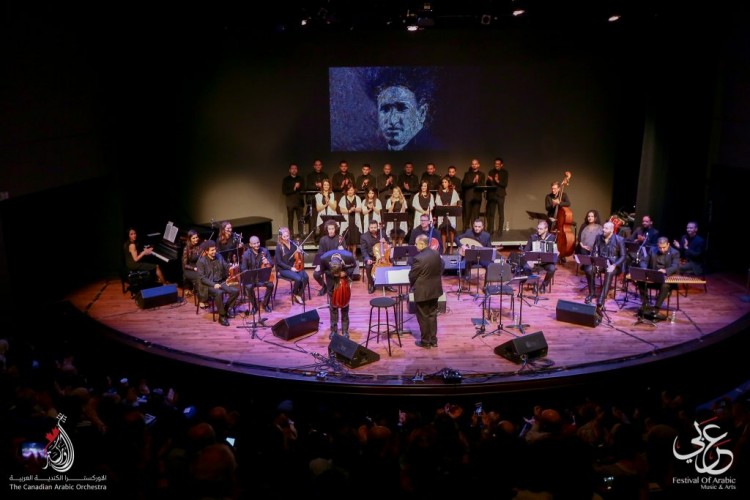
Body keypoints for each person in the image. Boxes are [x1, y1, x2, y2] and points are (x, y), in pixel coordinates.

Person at [371, 70, 438, 151]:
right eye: (385, 109)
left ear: (421, 113)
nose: (392, 120)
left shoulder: (434, 151)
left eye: (401, 108)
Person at [409, 234, 444, 349]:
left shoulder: (418, 258)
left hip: (422, 291)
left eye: (416, 243)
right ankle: (433, 340)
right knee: (432, 315)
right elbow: (441, 267)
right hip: (435, 290)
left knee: (423, 316)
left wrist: (411, 285)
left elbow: (412, 276)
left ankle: (425, 341)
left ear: (422, 244)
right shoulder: (436, 253)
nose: (415, 245)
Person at [583, 221, 626, 307]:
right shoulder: (598, 238)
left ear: (612, 230)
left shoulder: (619, 239)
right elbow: (595, 251)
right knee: (589, 269)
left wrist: (614, 266)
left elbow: (623, 256)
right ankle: (592, 293)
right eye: (603, 227)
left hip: (613, 264)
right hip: (601, 262)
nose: (603, 230)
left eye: (606, 228)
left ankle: (602, 297)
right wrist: (595, 260)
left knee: (609, 272)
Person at [197, 240, 240, 327]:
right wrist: (213, 285)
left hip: (221, 281)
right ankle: (222, 316)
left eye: (215, 249)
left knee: (235, 291)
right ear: (206, 251)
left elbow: (225, 266)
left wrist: (231, 267)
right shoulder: (201, 262)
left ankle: (225, 310)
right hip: (208, 284)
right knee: (218, 293)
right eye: (212, 250)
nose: (214, 252)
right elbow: (202, 278)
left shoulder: (219, 256)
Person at [637, 236, 680, 319]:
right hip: (654, 277)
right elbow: (644, 261)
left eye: (664, 247)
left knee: (665, 286)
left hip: (667, 279)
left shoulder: (675, 252)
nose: (662, 249)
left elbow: (675, 266)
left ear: (668, 245)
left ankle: (656, 308)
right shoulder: (653, 250)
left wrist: (665, 270)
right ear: (657, 245)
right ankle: (646, 304)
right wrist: (644, 268)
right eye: (660, 247)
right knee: (640, 281)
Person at [320, 250, 357, 338]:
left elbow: (354, 265)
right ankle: (333, 331)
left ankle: (345, 331)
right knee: (333, 309)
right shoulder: (324, 259)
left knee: (344, 308)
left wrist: (346, 273)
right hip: (331, 284)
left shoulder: (349, 256)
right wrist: (333, 275)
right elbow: (322, 271)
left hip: (344, 284)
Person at [274, 226, 309, 305]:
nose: (286, 238)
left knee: (306, 277)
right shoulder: (279, 247)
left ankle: (298, 294)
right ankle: (295, 293)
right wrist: (290, 268)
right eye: (284, 236)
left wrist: (299, 252)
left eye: (287, 236)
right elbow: (279, 262)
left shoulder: (293, 244)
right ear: (281, 237)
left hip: (294, 266)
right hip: (284, 269)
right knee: (298, 278)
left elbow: (296, 257)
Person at [240, 236, 274, 314]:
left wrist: (267, 262)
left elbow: (272, 264)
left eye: (258, 242)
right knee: (248, 287)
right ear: (250, 244)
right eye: (254, 243)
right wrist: (249, 274)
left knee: (270, 285)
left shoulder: (264, 251)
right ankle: (254, 306)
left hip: (262, 277)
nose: (257, 245)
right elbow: (243, 268)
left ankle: (265, 304)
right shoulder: (246, 254)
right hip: (251, 278)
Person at [523, 220, 557, 293]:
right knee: (526, 267)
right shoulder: (533, 237)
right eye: (538, 228)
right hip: (535, 262)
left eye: (541, 229)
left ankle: (544, 285)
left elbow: (553, 251)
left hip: (546, 263)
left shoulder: (552, 237)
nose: (538, 230)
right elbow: (526, 250)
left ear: (546, 229)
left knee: (552, 268)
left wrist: (556, 252)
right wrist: (530, 260)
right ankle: (534, 283)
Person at [313, 220, 346, 296]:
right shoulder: (323, 239)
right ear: (327, 230)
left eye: (332, 229)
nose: (331, 231)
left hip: (337, 264)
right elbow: (320, 253)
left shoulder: (340, 239)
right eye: (329, 229)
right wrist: (318, 265)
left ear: (335, 229)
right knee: (316, 274)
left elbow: (345, 255)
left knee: (331, 273)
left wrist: (342, 250)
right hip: (326, 264)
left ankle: (331, 289)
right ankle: (324, 287)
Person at [360, 220, 391, 294]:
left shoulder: (382, 233)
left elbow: (389, 245)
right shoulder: (364, 236)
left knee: (390, 263)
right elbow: (363, 250)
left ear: (377, 227)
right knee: (368, 266)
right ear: (369, 227)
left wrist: (386, 242)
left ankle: (388, 284)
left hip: (382, 256)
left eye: (375, 227)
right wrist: (367, 259)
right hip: (371, 256)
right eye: (371, 227)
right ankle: (371, 285)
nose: (373, 229)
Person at [435, 176, 460, 255]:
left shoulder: (453, 191)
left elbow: (456, 202)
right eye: (442, 182)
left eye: (445, 182)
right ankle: (444, 247)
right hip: (443, 213)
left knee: (451, 230)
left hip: (451, 213)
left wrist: (449, 206)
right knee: (443, 230)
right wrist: (443, 207)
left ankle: (451, 246)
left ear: (449, 183)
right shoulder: (439, 192)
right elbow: (437, 203)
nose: (443, 184)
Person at [182, 229, 207, 307]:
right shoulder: (186, 249)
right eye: (194, 238)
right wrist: (194, 268)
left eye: (197, 237)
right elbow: (185, 265)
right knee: (199, 278)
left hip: (199, 267)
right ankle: (201, 300)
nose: (196, 239)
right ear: (189, 239)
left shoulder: (200, 246)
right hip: (189, 269)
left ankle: (208, 296)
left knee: (207, 275)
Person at [485, 157, 508, 236]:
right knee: (491, 213)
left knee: (501, 213)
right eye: (495, 164)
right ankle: (490, 229)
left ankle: (500, 230)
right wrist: (489, 180)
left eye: (498, 164)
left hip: (500, 195)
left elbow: (505, 184)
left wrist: (497, 181)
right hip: (492, 195)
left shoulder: (505, 172)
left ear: (501, 165)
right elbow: (488, 184)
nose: (496, 165)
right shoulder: (491, 172)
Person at [338, 184, 363, 258]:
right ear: (346, 191)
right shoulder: (343, 198)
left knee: (354, 238)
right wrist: (349, 211)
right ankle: (348, 253)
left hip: (355, 220)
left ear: (354, 190)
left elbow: (360, 209)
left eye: (351, 190)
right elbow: (341, 210)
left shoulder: (357, 198)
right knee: (348, 238)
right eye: (348, 190)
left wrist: (354, 209)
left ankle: (354, 254)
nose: (350, 191)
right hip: (346, 220)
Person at [281, 163, 305, 237]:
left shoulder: (300, 179)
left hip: (299, 202)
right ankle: (291, 234)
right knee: (290, 219)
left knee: (300, 219)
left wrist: (299, 187)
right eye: (292, 168)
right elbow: (284, 191)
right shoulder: (286, 179)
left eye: (295, 168)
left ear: (297, 170)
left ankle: (301, 233)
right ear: (289, 170)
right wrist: (294, 188)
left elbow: (304, 189)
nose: (294, 170)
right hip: (290, 202)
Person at [461, 159, 485, 231]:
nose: (474, 165)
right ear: (471, 165)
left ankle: (475, 232)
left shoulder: (482, 174)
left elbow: (482, 186)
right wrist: (473, 182)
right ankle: (466, 232)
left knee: (475, 216)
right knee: (467, 215)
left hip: (477, 198)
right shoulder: (467, 174)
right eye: (473, 164)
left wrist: (477, 183)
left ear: (478, 165)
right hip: (468, 197)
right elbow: (464, 185)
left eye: (476, 164)